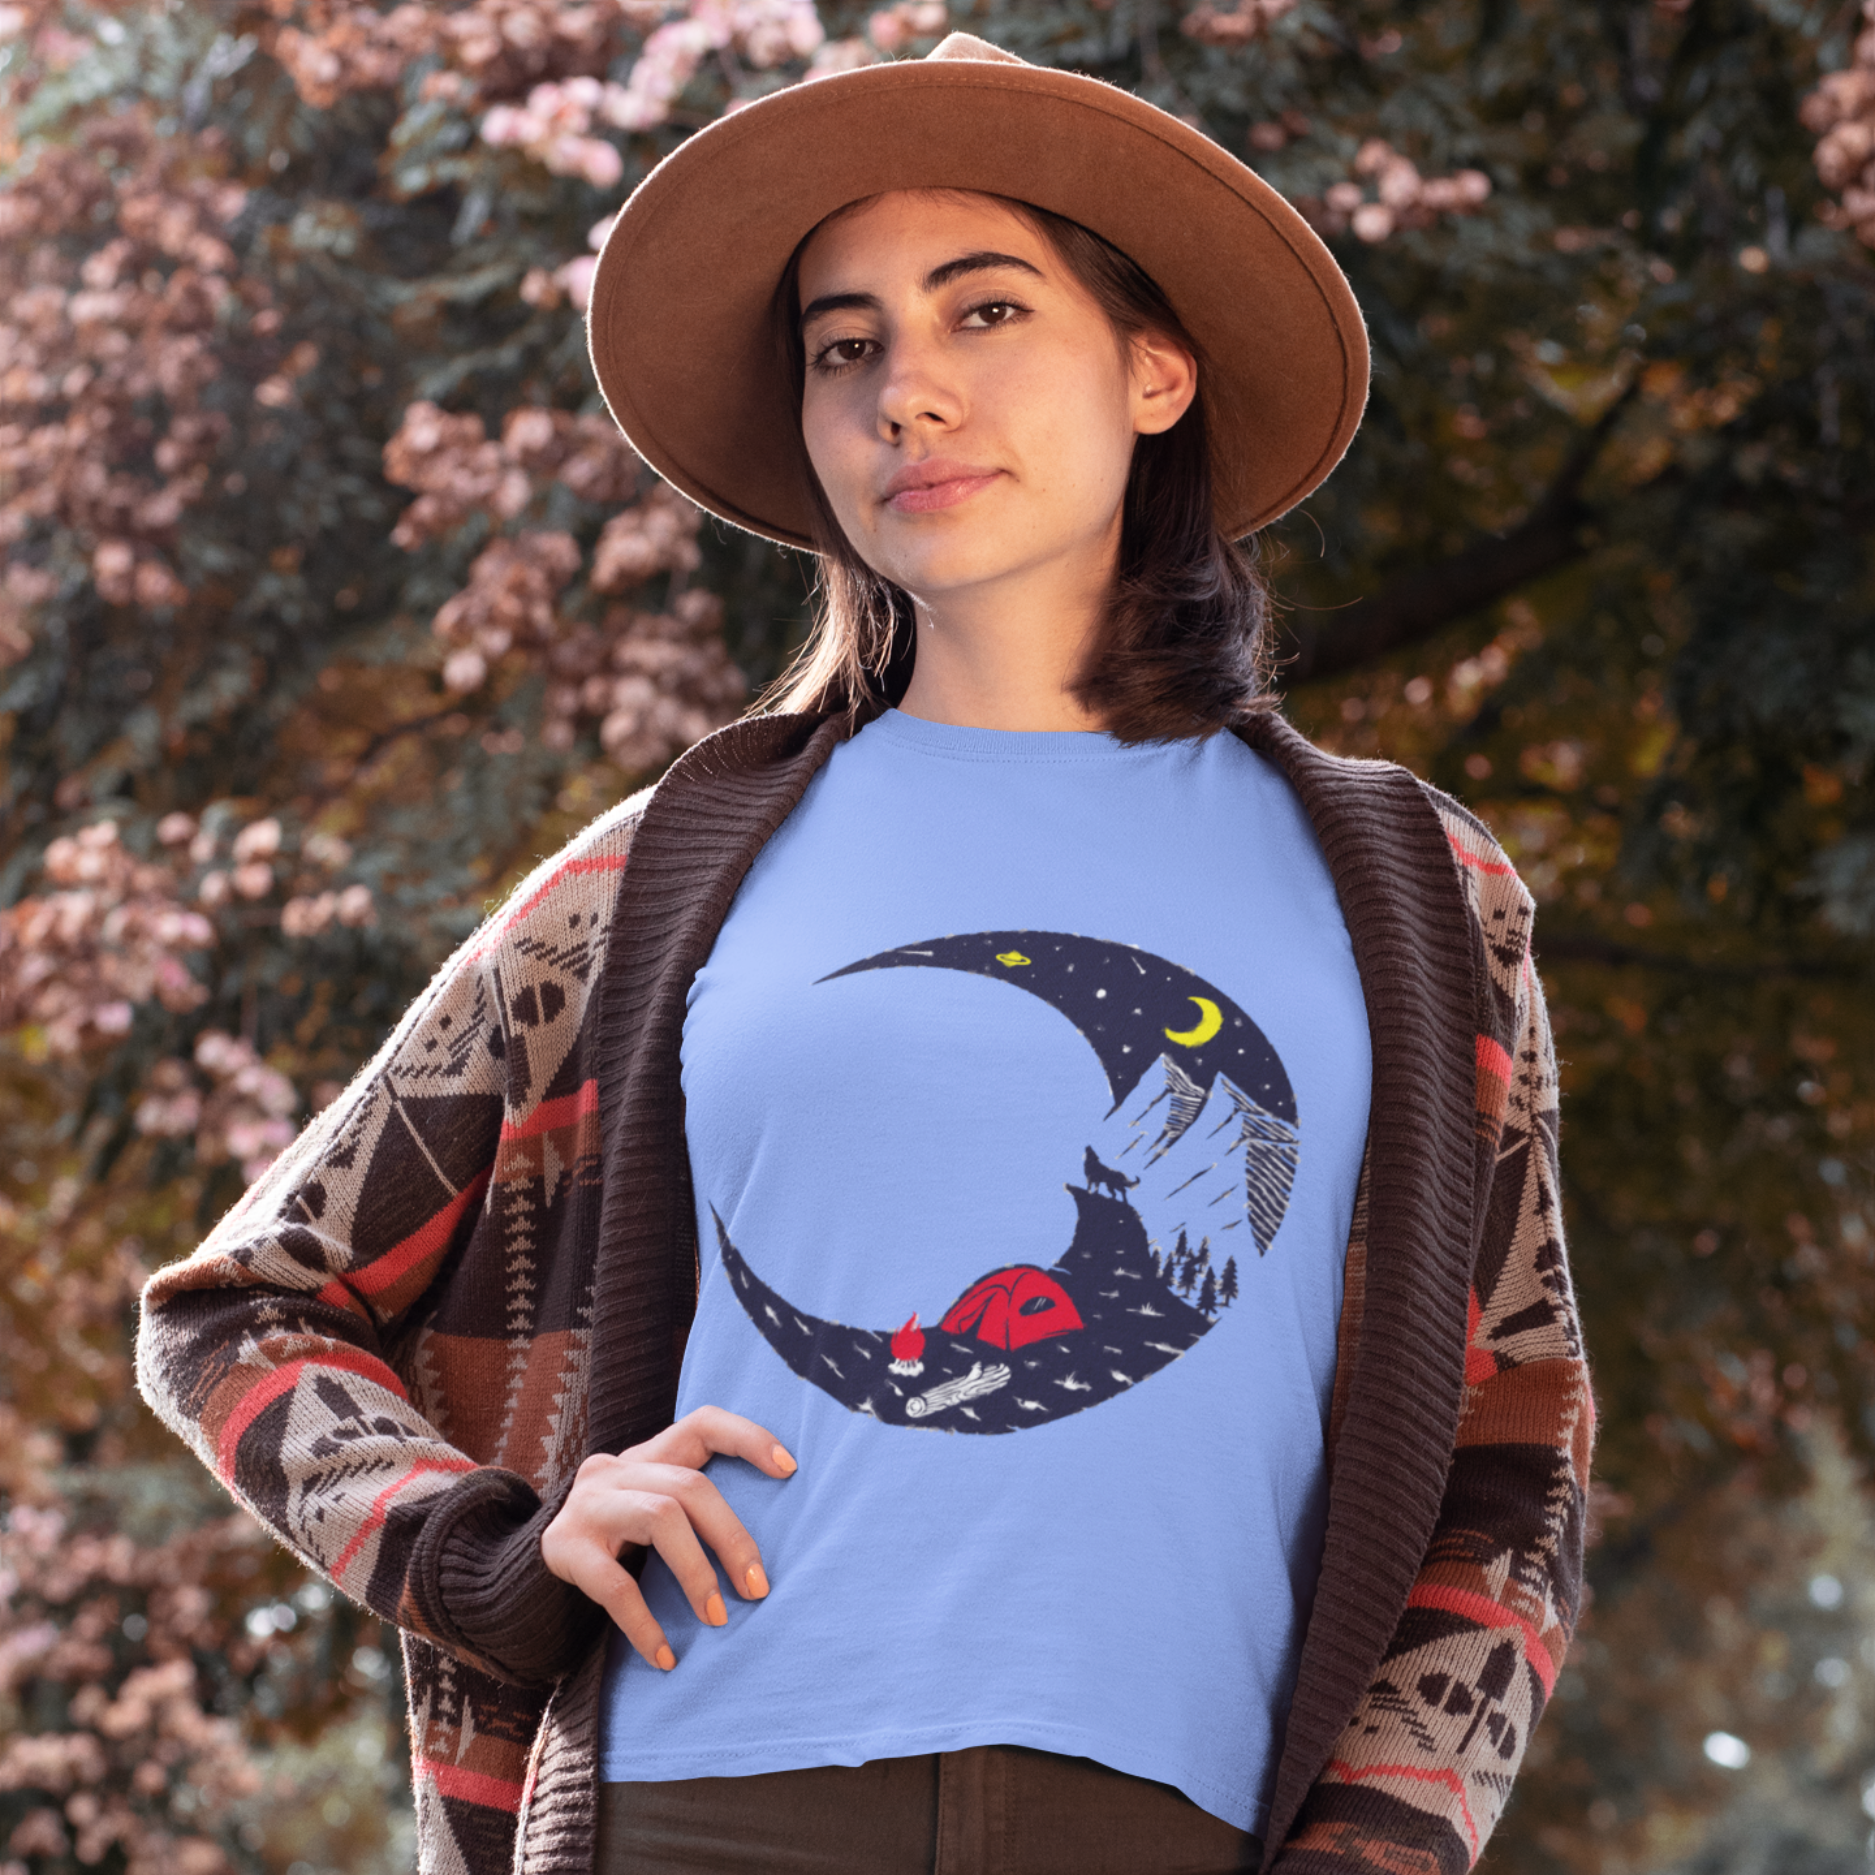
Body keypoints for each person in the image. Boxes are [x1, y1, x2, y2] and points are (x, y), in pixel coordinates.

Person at [136, 32, 1592, 1875]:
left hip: (1177, 1831)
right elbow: (240, 1307)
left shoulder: (1414, 891)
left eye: (986, 312)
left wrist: (1382, 1848)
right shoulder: (651, 882)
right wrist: (480, 1547)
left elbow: (1513, 1437)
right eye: (848, 344)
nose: (909, 391)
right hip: (697, 1804)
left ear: (1155, 371)